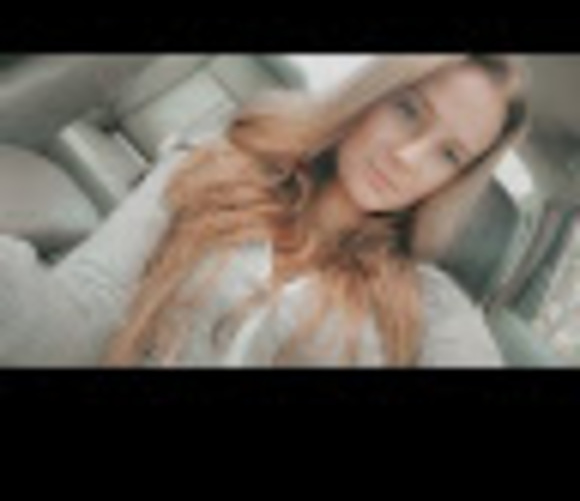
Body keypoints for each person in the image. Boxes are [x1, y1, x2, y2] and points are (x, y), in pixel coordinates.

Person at [0, 54, 531, 367]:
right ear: (373, 92)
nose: (408, 158)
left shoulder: (428, 308)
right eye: (409, 109)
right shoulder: (216, 163)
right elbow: (78, 316)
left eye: (448, 155)